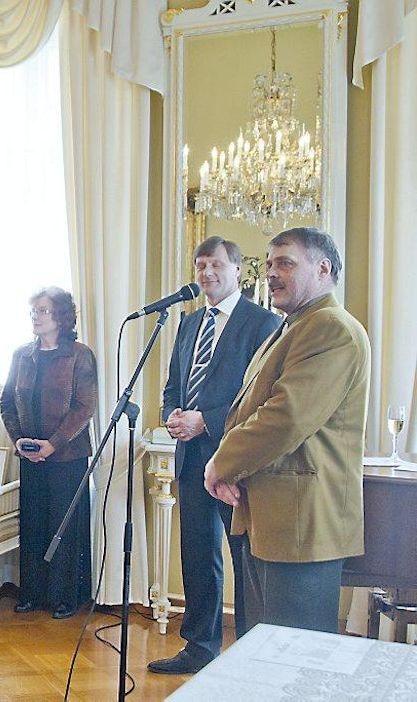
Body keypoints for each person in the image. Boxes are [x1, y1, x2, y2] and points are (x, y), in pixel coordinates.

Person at [205, 228, 370, 635]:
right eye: (269, 264)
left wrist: (221, 464)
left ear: (323, 269)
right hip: (272, 517)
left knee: (294, 655)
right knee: (265, 651)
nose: (271, 274)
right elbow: (248, 409)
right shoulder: (293, 326)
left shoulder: (330, 328)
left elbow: (285, 417)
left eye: (285, 263)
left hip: (302, 524)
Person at [147, 237, 280, 675]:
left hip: (238, 460)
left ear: (237, 269)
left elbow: (264, 397)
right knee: (198, 557)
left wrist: (207, 420)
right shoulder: (188, 324)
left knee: (244, 559)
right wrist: (173, 416)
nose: (207, 273)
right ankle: (199, 648)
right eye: (201, 265)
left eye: (216, 265)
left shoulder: (263, 323)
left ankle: (248, 653)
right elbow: (173, 386)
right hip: (191, 459)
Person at [1, 287, 98, 621]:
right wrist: (19, 441)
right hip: (30, 455)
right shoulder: (21, 355)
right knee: (33, 524)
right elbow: (7, 402)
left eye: (42, 310)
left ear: (61, 316)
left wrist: (53, 444)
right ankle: (31, 593)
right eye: (33, 311)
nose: (36, 317)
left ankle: (65, 596)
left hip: (68, 458)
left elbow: (84, 408)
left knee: (63, 527)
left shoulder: (79, 355)